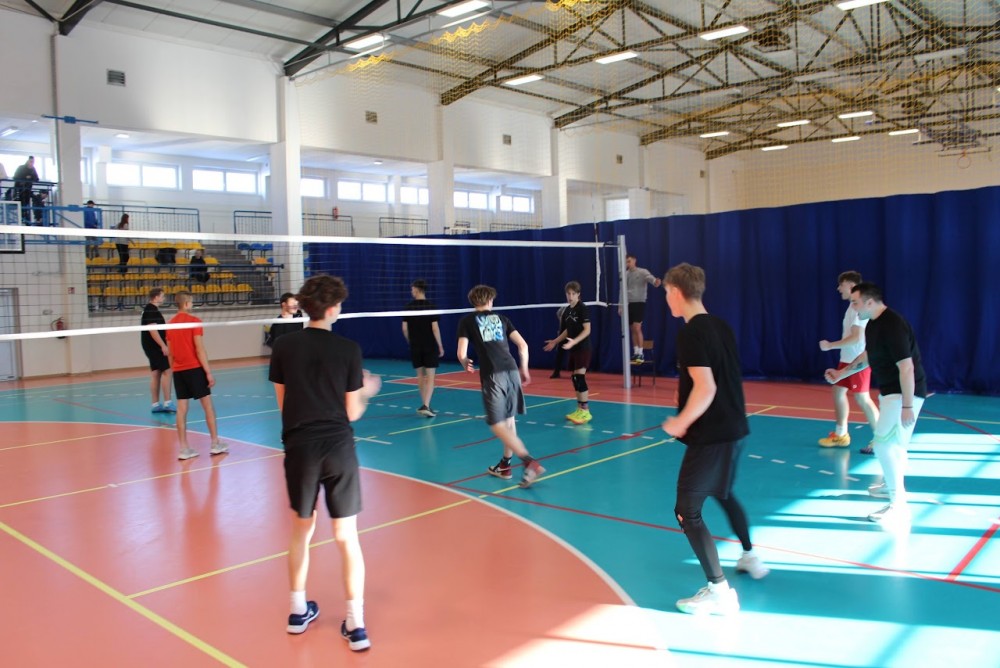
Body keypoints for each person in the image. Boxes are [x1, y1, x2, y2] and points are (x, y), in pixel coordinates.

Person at [268, 275, 382, 652]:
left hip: (300, 447)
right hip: (338, 448)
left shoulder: (283, 345)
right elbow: (352, 413)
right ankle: (356, 624)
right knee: (347, 536)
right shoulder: (349, 349)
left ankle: (297, 612)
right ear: (333, 309)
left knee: (301, 530)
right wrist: (366, 392)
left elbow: (284, 406)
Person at [660, 263, 768, 616]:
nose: (666, 300)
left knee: (686, 510)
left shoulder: (691, 333)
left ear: (676, 291)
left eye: (666, 293)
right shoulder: (720, 325)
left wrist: (680, 422)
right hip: (735, 428)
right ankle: (749, 555)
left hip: (712, 435)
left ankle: (719, 591)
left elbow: (706, 388)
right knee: (722, 492)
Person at [825, 282, 927, 525]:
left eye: (856, 302)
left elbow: (907, 367)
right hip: (891, 393)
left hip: (903, 394)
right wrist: (842, 374)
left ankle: (897, 504)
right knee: (897, 446)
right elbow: (868, 356)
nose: (853, 307)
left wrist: (907, 406)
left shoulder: (893, 325)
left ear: (870, 302)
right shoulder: (872, 324)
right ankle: (892, 486)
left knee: (883, 446)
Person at [457, 284, 545, 488]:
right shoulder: (502, 319)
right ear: (490, 301)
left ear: (473, 302)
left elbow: (461, 353)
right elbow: (523, 345)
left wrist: (465, 362)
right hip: (512, 370)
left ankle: (529, 462)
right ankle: (505, 465)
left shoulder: (467, 321)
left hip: (493, 374)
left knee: (497, 424)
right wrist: (524, 369)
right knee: (509, 420)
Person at [818, 271, 880, 453]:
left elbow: (856, 338)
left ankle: (881, 439)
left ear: (851, 285)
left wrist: (830, 345)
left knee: (862, 398)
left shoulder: (857, 308)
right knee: (838, 391)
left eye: (841, 285)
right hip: (846, 359)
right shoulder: (851, 307)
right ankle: (841, 434)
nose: (838, 288)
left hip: (858, 360)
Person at [166, 291, 227, 461]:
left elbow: (170, 353)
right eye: (191, 302)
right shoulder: (194, 321)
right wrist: (208, 372)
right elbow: (199, 349)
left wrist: (174, 369)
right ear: (186, 304)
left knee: (181, 409)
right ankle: (215, 443)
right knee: (208, 406)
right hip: (195, 369)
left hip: (179, 371)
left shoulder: (169, 325)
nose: (192, 305)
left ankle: (183, 448)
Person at [544, 281, 593, 424]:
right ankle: (580, 409)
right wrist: (555, 341)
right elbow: (567, 331)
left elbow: (587, 330)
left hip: (583, 347)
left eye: (573, 294)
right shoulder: (566, 311)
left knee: (580, 377)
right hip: (574, 349)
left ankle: (586, 412)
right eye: (568, 294)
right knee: (575, 378)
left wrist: (574, 341)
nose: (570, 296)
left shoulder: (582, 308)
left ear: (578, 294)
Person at [402, 279, 444, 417]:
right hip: (429, 345)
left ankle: (424, 404)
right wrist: (440, 345)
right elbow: (435, 328)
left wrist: (410, 341)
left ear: (417, 289)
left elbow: (404, 329)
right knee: (430, 377)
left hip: (415, 346)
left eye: (412, 289)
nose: (411, 291)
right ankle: (426, 405)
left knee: (420, 375)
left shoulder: (409, 307)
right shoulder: (431, 306)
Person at [141, 288, 175, 414]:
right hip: (155, 347)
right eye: (162, 296)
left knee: (156, 373)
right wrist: (163, 345)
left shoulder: (150, 309)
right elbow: (152, 330)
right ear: (156, 297)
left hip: (150, 346)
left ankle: (155, 404)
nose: (164, 298)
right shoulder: (151, 310)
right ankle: (167, 403)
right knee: (167, 371)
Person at [623, 253, 661, 363]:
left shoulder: (642, 272)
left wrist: (655, 282)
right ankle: (636, 352)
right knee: (632, 329)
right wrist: (621, 305)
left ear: (634, 260)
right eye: (626, 262)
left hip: (639, 303)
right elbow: (622, 290)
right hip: (628, 304)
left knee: (637, 328)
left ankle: (641, 353)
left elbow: (651, 279)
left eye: (629, 261)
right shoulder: (625, 274)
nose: (628, 264)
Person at [12, 156, 42, 223]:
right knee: (21, 204)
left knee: (27, 204)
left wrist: (30, 177)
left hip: (27, 190)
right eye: (31, 162)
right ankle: (23, 217)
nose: (31, 163)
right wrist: (25, 178)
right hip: (20, 190)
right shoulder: (21, 168)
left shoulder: (33, 169)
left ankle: (26, 218)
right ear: (27, 161)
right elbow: (15, 177)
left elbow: (37, 179)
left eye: (33, 162)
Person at [549, 303, 567, 379]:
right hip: (562, 334)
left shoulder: (579, 309)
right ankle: (556, 372)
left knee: (577, 353)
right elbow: (558, 313)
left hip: (574, 334)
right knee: (559, 353)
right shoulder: (563, 309)